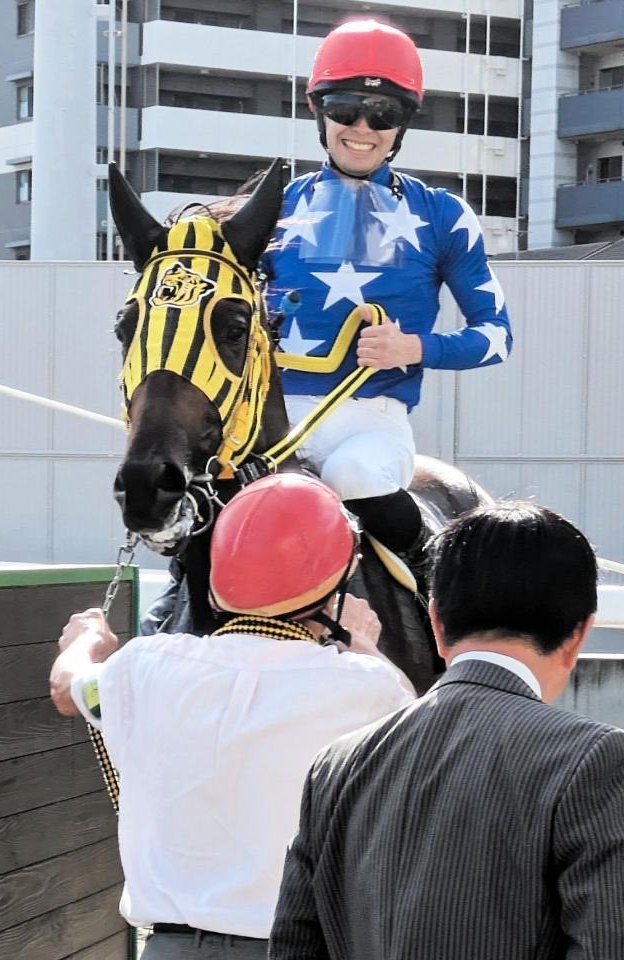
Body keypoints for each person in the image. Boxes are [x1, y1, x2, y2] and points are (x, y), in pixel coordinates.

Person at [269, 502, 624, 960]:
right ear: (579, 633)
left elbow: (294, 946)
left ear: (436, 622)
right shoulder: (594, 756)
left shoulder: (337, 763)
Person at [49, 473, 414, 959]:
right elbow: (414, 716)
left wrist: (88, 640)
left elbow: (66, 688)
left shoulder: (144, 665)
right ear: (333, 590)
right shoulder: (365, 686)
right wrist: (364, 642)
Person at [262, 19, 512, 587]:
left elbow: (497, 336)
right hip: (277, 422)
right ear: (318, 111)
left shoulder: (444, 215)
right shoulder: (272, 205)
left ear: (403, 125)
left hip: (371, 430)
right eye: (345, 108)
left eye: (385, 114)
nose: (362, 128)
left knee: (352, 475)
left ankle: (442, 596)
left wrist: (414, 347)